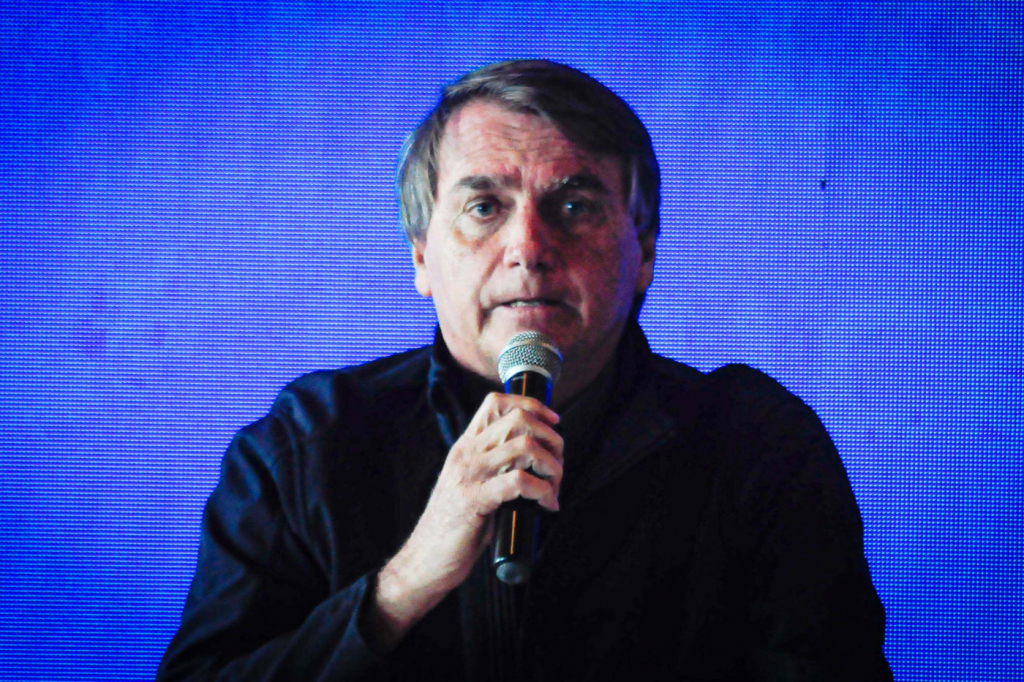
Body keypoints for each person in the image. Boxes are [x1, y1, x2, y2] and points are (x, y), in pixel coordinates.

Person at [157, 60, 892, 680]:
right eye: (484, 206)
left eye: (574, 204)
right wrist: (405, 584)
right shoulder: (302, 448)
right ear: (422, 256)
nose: (529, 248)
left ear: (644, 252)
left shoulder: (759, 448)